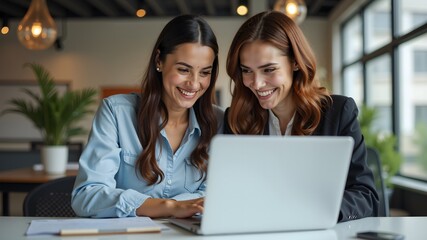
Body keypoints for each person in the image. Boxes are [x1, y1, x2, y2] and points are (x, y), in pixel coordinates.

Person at [224, 11, 379, 222]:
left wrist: (314, 212)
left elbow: (365, 195)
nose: (257, 83)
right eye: (247, 71)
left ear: (295, 63)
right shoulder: (236, 120)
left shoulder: (338, 112)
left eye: (268, 70)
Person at [72, 15, 223, 218]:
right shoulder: (116, 112)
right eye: (183, 70)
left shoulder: (218, 121)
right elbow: (87, 196)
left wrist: (176, 206)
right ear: (159, 61)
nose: (194, 84)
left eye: (205, 72)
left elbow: (214, 195)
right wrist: (169, 207)